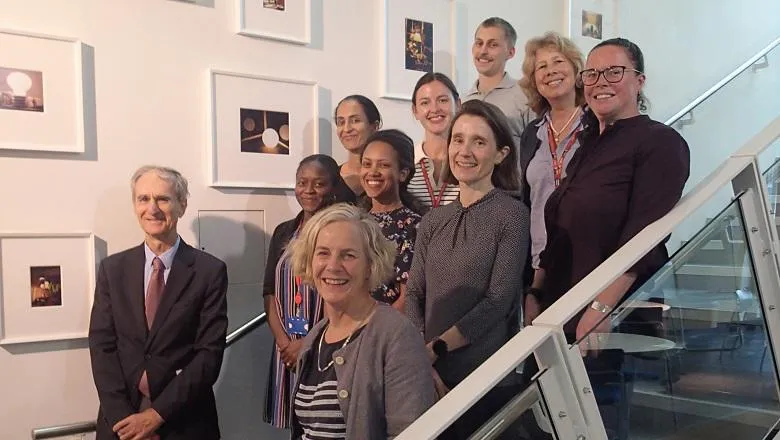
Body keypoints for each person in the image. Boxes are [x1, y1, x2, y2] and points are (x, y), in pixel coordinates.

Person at [537, 38, 690, 438]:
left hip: (612, 316)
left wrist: (601, 309)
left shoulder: (660, 142)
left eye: (614, 72)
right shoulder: (590, 143)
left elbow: (645, 235)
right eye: (592, 73)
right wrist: (535, 288)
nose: (600, 81)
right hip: (564, 308)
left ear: (639, 81)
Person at [406, 100, 530, 439]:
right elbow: (415, 293)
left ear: (501, 153)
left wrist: (433, 350)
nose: (465, 151)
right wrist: (422, 357)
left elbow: (498, 301)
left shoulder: (512, 215)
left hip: (484, 376)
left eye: (479, 141)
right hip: (429, 372)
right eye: (458, 139)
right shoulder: (433, 221)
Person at [89, 166, 228, 440]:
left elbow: (208, 355)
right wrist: (124, 421)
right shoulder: (112, 269)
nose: (152, 208)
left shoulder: (209, 272)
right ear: (134, 205)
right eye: (143, 199)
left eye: (163, 199)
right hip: (120, 422)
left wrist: (155, 416)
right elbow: (102, 347)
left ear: (182, 205)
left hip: (184, 421)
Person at [288, 203, 435, 439]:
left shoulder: (396, 335)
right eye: (323, 253)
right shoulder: (316, 337)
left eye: (348, 255)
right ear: (309, 261)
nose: (333, 266)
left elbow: (412, 433)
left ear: (370, 265)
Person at [263, 154, 356, 429]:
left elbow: (347, 294)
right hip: (286, 349)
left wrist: (308, 343)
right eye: (302, 183)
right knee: (294, 425)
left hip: (325, 345)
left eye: (319, 184)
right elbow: (268, 290)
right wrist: (284, 342)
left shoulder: (341, 231)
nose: (308, 190)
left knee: (323, 422)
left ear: (334, 187)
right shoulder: (284, 231)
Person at [517, 32, 586, 324]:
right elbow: (527, 201)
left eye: (558, 61)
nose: (550, 71)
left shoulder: (595, 124)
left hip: (585, 259)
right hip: (539, 266)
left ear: (575, 69)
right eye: (541, 67)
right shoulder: (532, 133)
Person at [360, 129, 422, 312]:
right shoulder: (352, 221)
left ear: (402, 174)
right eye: (367, 164)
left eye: (383, 165)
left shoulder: (414, 226)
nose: (373, 172)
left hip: (385, 331)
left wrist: (371, 330)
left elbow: (408, 298)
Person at [463, 17, 534, 150]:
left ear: (511, 52)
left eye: (493, 45)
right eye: (479, 43)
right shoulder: (463, 101)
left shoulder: (525, 96)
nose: (483, 51)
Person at [408, 72, 461, 211]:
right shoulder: (405, 162)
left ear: (458, 104)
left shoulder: (468, 160)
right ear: (415, 111)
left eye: (443, 100)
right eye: (425, 103)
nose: (435, 109)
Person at [334, 95, 382, 196]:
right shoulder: (330, 177)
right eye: (341, 122)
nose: (347, 129)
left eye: (355, 121)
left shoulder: (387, 176)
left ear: (375, 126)